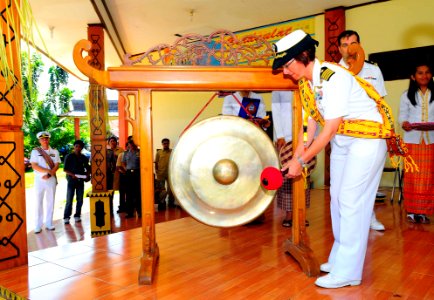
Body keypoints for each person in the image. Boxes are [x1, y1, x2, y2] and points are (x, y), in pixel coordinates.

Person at [273, 29, 388, 288]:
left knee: (350, 200)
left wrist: (300, 162)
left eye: (287, 65)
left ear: (303, 57)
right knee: (337, 199)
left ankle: (348, 271)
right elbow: (311, 124)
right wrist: (297, 154)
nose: (284, 72)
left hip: (367, 140)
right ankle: (339, 259)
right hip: (344, 142)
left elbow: (329, 128)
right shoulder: (308, 83)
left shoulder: (332, 77)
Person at [337, 30, 387, 231]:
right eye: (345, 44)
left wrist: (386, 132)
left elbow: (380, 102)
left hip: (370, 136)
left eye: (354, 43)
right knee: (342, 189)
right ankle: (345, 225)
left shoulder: (373, 71)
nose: (351, 48)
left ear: (361, 44)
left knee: (367, 184)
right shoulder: (333, 72)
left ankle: (369, 217)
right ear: (339, 48)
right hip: (342, 136)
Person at [272, 91, 314, 227]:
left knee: (304, 176)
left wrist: (313, 137)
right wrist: (280, 135)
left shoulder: (306, 84)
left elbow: (313, 112)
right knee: (286, 176)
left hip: (305, 136)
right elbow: (276, 109)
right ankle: (289, 213)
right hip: (285, 137)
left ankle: (301, 212)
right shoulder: (278, 86)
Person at [399, 62, 434, 224]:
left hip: (430, 141)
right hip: (412, 140)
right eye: (420, 73)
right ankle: (412, 211)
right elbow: (402, 117)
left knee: (428, 178)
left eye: (427, 72)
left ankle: (424, 212)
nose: (424, 76)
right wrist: (405, 124)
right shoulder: (406, 95)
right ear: (413, 77)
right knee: (413, 176)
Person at [29, 131, 61, 233]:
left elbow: (57, 164)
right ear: (39, 140)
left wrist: (50, 173)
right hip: (39, 180)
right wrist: (47, 171)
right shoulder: (35, 152)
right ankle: (38, 225)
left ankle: (49, 223)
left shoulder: (54, 151)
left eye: (46, 138)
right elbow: (34, 165)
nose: (44, 140)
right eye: (42, 139)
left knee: (50, 201)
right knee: (38, 202)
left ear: (49, 139)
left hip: (51, 179)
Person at [63, 139, 91, 224]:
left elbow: (88, 168)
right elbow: (65, 169)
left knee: (80, 199)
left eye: (79, 147)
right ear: (74, 147)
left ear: (82, 148)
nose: (78, 148)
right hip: (71, 180)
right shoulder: (69, 156)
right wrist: (72, 175)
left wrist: (87, 175)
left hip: (80, 180)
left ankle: (77, 215)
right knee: (69, 199)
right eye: (76, 146)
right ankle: (66, 217)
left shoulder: (84, 158)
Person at [122, 139, 141, 218]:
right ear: (128, 144)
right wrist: (126, 169)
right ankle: (130, 212)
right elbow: (123, 163)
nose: (131, 145)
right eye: (130, 144)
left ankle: (140, 212)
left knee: (138, 193)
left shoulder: (139, 152)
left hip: (137, 173)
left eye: (133, 143)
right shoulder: (125, 153)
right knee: (129, 193)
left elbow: (142, 162)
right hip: (129, 173)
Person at [154, 138, 175, 208]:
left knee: (171, 189)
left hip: (170, 174)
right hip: (161, 173)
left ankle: (171, 203)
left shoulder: (172, 152)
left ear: (169, 144)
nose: (166, 145)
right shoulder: (159, 152)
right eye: (164, 143)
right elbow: (156, 163)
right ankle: (162, 203)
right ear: (162, 144)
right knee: (161, 190)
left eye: (167, 143)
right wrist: (156, 171)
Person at [106, 136, 124, 215]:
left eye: (114, 141)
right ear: (108, 142)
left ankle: (122, 207)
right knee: (110, 191)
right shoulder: (106, 151)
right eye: (111, 141)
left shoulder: (120, 150)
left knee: (121, 191)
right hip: (109, 173)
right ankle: (110, 209)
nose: (113, 142)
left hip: (119, 172)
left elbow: (123, 160)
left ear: (116, 142)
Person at [115, 142, 128, 214]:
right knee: (122, 192)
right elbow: (118, 166)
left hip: (131, 176)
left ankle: (129, 206)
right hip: (123, 175)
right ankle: (122, 206)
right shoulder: (121, 154)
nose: (129, 148)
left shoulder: (134, 154)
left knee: (129, 192)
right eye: (128, 146)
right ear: (126, 147)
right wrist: (125, 171)